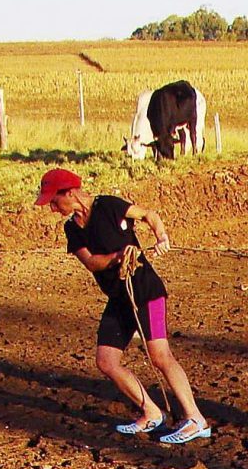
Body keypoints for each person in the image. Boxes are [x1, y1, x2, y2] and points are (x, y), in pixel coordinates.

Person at [34, 168, 211, 445]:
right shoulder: (72, 228)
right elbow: (92, 262)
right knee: (106, 361)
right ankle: (151, 412)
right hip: (119, 297)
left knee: (160, 356)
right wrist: (120, 255)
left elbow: (149, 216)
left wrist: (161, 237)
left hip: (145, 291)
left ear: (69, 193)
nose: (53, 209)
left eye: (55, 202)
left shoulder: (109, 206)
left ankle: (195, 418)